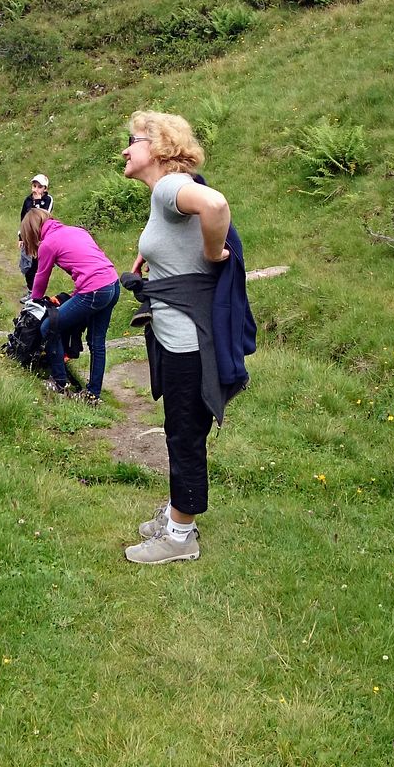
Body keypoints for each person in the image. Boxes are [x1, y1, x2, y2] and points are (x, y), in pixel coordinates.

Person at [117, 109, 252, 565]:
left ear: (156, 147)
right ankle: (177, 515)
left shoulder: (172, 187)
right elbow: (178, 236)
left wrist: (215, 251)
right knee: (181, 429)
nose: (125, 149)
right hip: (184, 335)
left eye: (132, 140)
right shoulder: (165, 195)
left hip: (189, 342)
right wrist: (145, 254)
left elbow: (214, 206)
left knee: (184, 434)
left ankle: (180, 536)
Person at [21, 207, 119, 404]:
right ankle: (93, 395)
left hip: (95, 290)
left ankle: (59, 383)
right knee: (96, 341)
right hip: (113, 284)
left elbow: (41, 277)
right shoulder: (77, 231)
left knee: (49, 326)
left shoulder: (48, 243)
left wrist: (33, 302)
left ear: (31, 231)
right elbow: (93, 260)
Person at [18, 173, 54, 289]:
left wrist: (38, 202)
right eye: (34, 186)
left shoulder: (48, 200)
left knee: (37, 266)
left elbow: (44, 216)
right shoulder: (27, 200)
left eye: (39, 187)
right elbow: (23, 219)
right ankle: (30, 289)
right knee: (26, 266)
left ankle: (35, 291)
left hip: (42, 238)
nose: (36, 189)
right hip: (29, 237)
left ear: (45, 189)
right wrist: (21, 237)